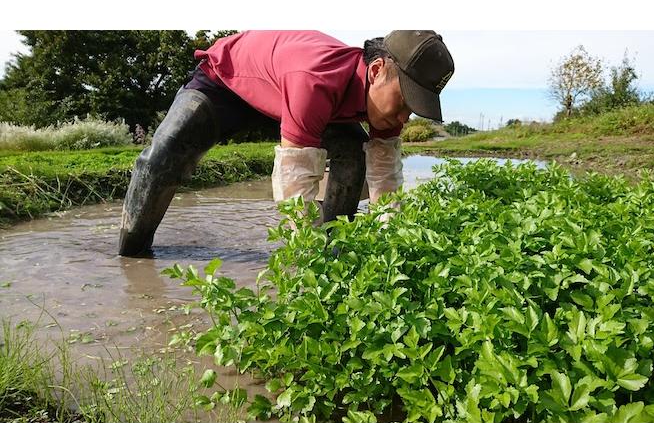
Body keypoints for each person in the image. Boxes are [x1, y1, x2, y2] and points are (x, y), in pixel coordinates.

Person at [118, 30, 455, 256]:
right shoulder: (316, 78)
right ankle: (133, 253)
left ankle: (335, 251)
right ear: (377, 70)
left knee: (354, 159)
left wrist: (392, 249)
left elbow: (385, 182)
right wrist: (306, 263)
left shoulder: (385, 108)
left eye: (413, 110)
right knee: (163, 157)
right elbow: (295, 182)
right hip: (227, 83)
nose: (403, 119)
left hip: (295, 99)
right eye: (403, 103)